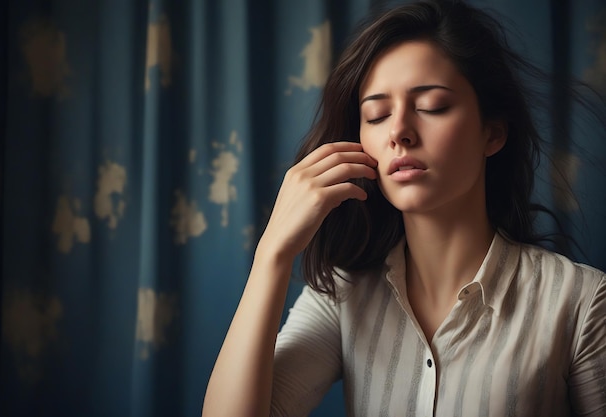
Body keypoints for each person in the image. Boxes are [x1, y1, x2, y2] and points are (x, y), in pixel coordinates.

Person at [202, 0, 606, 416]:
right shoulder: (343, 297)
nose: (399, 132)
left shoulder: (579, 301)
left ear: (493, 133)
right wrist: (273, 254)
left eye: (431, 106)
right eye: (376, 115)